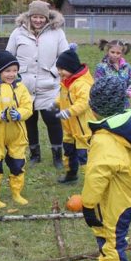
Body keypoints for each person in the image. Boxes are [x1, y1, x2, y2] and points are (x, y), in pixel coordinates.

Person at [79, 76, 131, 261]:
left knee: (112, 238)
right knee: (106, 234)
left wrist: (88, 205)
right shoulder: (125, 127)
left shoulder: (106, 139)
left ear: (95, 108)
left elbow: (97, 176)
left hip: (119, 199)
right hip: (128, 192)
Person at [6, 0, 69, 169]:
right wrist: (13, 75)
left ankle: (57, 156)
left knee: (53, 120)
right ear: (29, 16)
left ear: (47, 18)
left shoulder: (57, 33)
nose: (38, 20)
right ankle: (34, 154)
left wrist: (53, 72)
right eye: (35, 16)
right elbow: (9, 56)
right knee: (29, 120)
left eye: (42, 17)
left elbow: (65, 56)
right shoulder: (18, 33)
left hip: (49, 86)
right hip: (24, 86)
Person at [0, 50, 34, 208]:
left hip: (17, 133)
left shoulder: (21, 88)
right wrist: (0, 115)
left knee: (18, 163)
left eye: (14, 70)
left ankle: (16, 192)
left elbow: (28, 107)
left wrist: (19, 114)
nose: (11, 74)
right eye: (7, 71)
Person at [53, 46, 94, 184]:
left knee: (84, 155)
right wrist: (56, 103)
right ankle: (71, 175)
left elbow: (84, 102)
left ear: (71, 67)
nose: (59, 72)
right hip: (69, 125)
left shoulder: (82, 83)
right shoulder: (66, 81)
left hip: (82, 127)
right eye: (58, 69)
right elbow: (63, 97)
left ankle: (91, 180)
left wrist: (69, 111)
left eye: (62, 69)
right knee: (69, 150)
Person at [94, 39, 131, 105]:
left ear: (122, 54)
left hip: (123, 104)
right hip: (106, 105)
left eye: (118, 53)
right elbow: (98, 85)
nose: (115, 55)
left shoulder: (127, 67)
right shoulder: (101, 67)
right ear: (108, 51)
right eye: (112, 52)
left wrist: (129, 92)